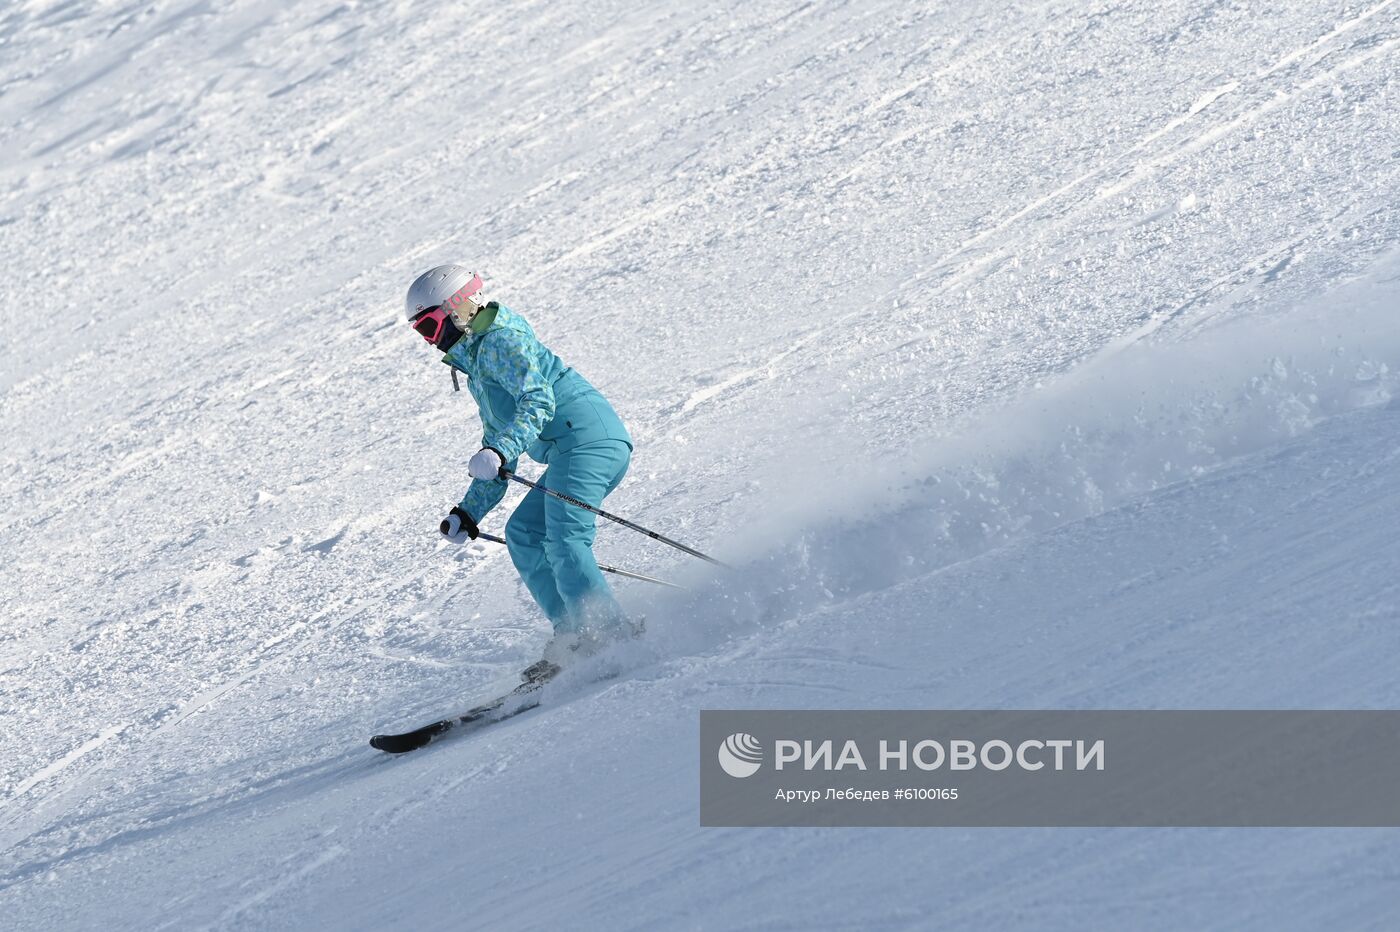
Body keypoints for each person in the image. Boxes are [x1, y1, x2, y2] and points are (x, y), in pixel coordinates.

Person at [404, 265, 635, 654]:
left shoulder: (501, 341)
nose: (428, 341)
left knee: (564, 539)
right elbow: (497, 440)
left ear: (457, 309)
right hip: (571, 451)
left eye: (428, 327)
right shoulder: (479, 361)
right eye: (420, 332)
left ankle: (607, 635)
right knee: (523, 534)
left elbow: (538, 400)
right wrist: (469, 512)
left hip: (588, 441)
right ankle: (574, 635)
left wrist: (499, 451)